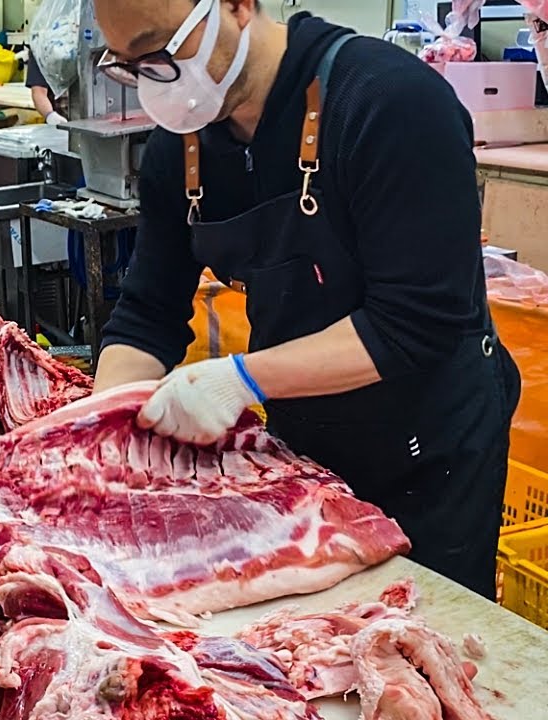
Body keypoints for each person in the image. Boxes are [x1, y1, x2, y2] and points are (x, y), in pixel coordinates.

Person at [92, 0, 520, 599]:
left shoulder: (388, 102)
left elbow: (414, 323)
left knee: (418, 648)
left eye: (162, 51)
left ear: (238, 7)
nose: (155, 82)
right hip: (303, 441)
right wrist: (96, 435)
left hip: (430, 450)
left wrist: (239, 378)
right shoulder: (180, 149)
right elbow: (147, 313)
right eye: (131, 66)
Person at [25, 50, 67, 126]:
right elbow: (38, 92)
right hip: (60, 123)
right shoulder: (41, 48)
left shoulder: (93, 45)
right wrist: (50, 115)